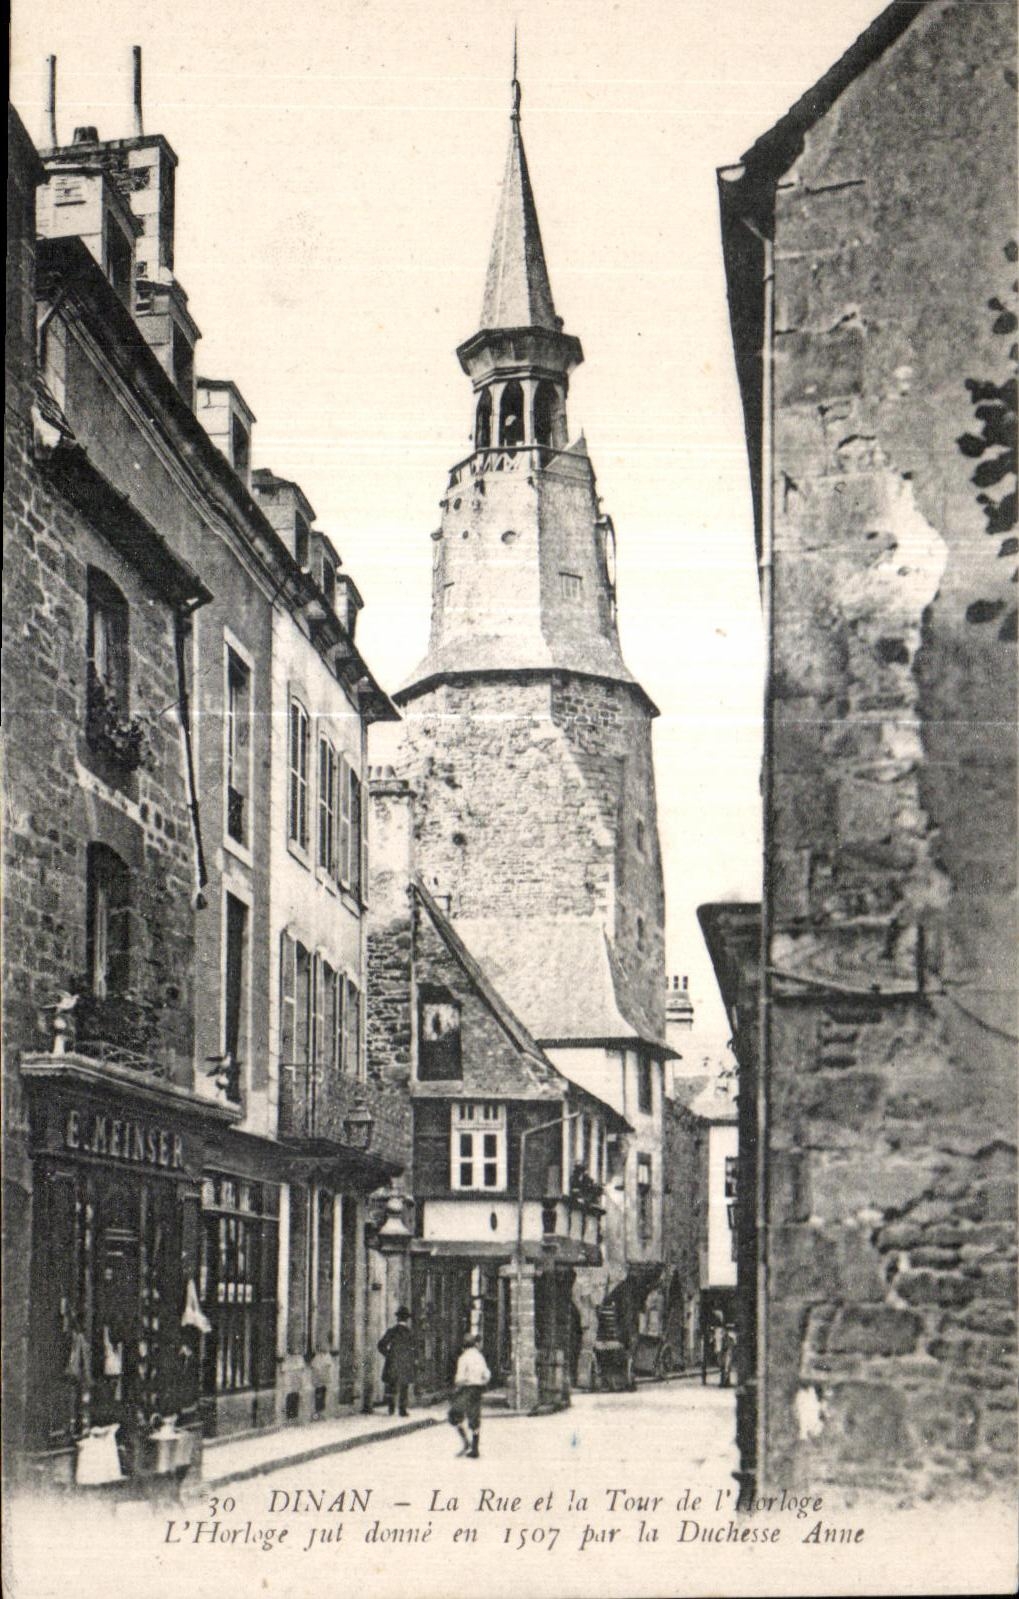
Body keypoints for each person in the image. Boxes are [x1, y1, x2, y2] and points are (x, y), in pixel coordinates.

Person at [448, 1333, 490, 1458]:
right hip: (478, 1389)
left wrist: (458, 1385)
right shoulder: (479, 1357)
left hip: (466, 1389)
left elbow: (459, 1378)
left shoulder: (463, 1358)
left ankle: (466, 1442)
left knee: (454, 1415)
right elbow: (486, 1374)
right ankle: (475, 1449)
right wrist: (482, 1382)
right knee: (474, 1417)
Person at [377, 1305, 415, 1417]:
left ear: (398, 1318)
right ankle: (402, 1410)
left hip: (392, 1362)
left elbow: (381, 1345)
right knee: (404, 1387)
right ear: (407, 1319)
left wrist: (388, 1355)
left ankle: (391, 1409)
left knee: (391, 1386)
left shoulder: (392, 1331)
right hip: (405, 1363)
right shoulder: (409, 1333)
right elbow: (415, 1348)